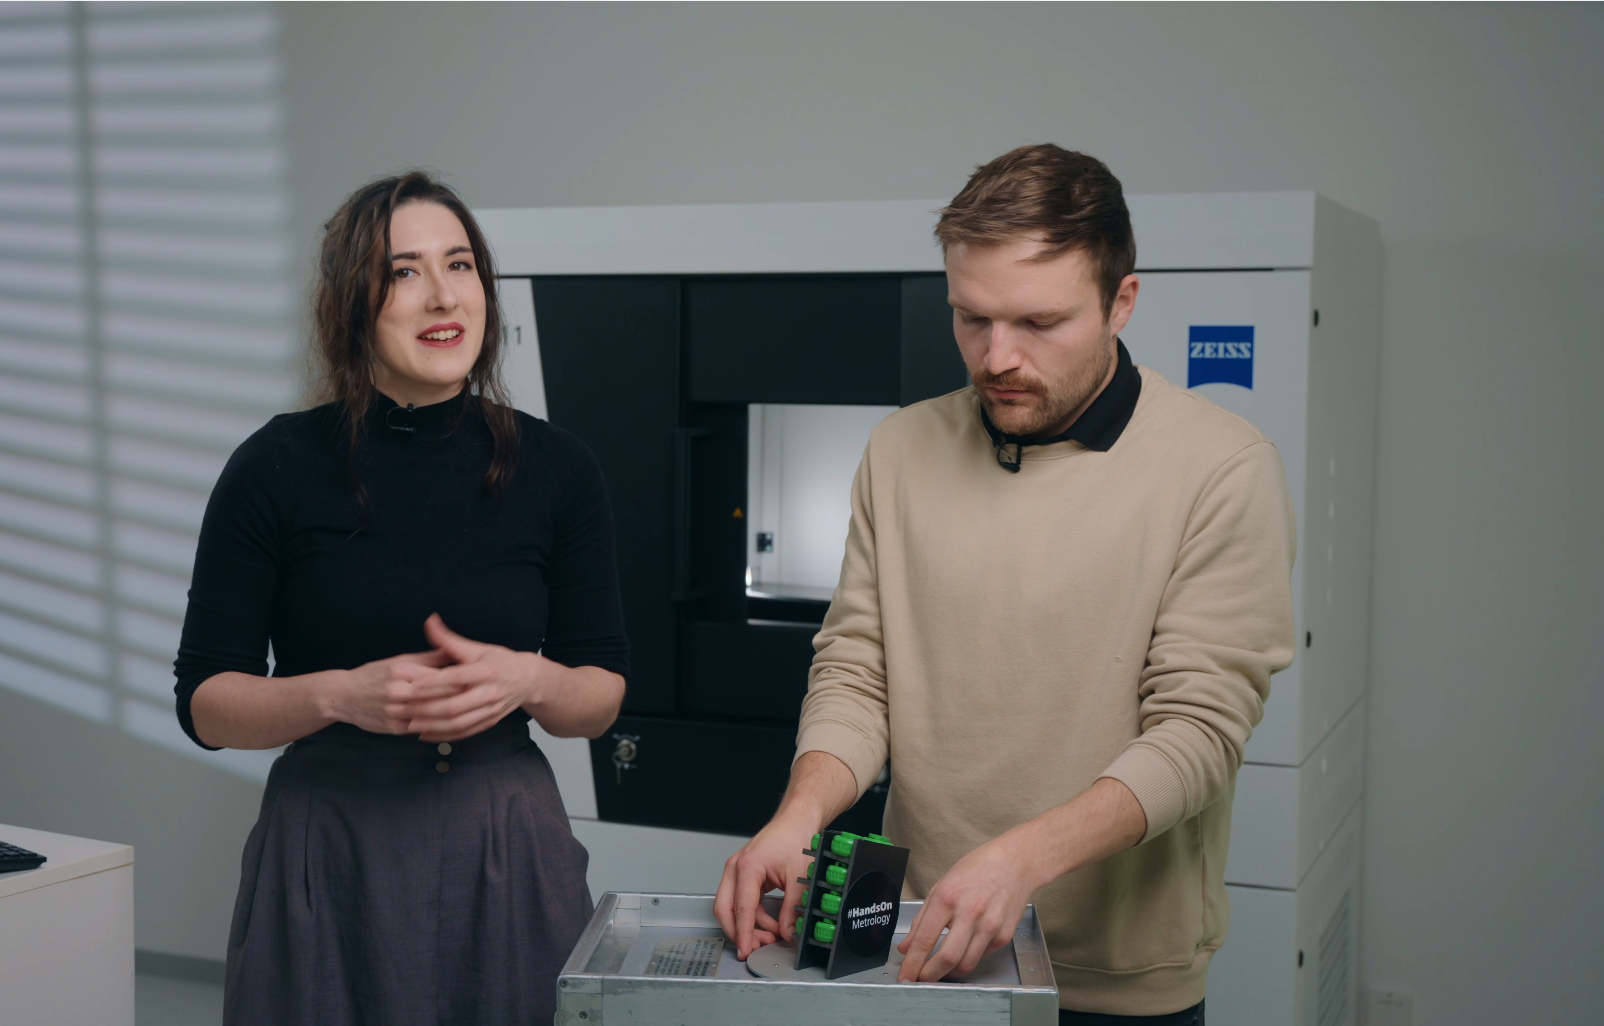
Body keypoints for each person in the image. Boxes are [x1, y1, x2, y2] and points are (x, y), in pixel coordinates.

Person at [715, 144, 1295, 1025]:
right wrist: (800, 813)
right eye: (970, 318)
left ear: (1120, 301)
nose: (996, 357)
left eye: (1037, 322)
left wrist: (1021, 858)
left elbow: (1197, 733)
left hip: (1113, 983)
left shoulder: (1221, 467)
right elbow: (859, 672)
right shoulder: (900, 451)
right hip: (918, 949)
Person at [174, 171, 628, 1026]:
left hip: (509, 842)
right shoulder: (273, 467)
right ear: (354, 305)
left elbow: (598, 696)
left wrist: (522, 681)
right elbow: (205, 702)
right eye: (404, 271)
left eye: (459, 265)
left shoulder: (560, 468)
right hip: (327, 844)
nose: (441, 295)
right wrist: (340, 695)